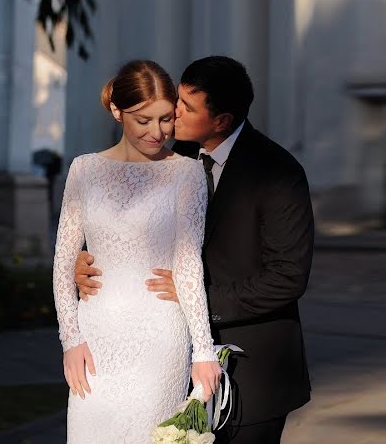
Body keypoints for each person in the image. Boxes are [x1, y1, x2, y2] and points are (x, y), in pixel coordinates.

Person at [75, 56, 314, 444]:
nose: (173, 111)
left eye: (186, 107)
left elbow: (287, 276)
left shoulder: (278, 173)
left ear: (220, 121)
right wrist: (83, 264)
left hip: (251, 371)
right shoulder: (170, 158)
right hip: (166, 364)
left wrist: (197, 299)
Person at [52, 60, 222, 443]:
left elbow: (188, 263)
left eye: (165, 119)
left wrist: (204, 350)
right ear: (117, 111)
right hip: (96, 334)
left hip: (160, 335)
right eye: (143, 120)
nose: (157, 132)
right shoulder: (84, 170)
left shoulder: (187, 173)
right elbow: (63, 261)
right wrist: (71, 339)